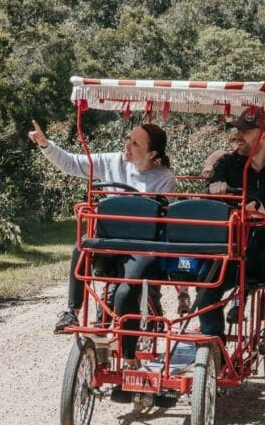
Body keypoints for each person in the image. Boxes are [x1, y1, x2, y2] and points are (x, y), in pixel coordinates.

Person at [30, 120, 176, 367]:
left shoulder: (164, 179)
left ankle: (128, 354)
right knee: (81, 248)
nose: (127, 145)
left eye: (135, 143)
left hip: (141, 243)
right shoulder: (112, 161)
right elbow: (72, 163)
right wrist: (46, 145)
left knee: (126, 290)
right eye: (128, 139)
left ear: (152, 154)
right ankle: (72, 311)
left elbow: (161, 217)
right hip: (110, 237)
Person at [199, 109, 265, 384]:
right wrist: (214, 189)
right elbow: (206, 199)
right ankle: (214, 347)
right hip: (233, 251)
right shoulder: (227, 164)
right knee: (206, 281)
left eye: (245, 131)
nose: (238, 136)